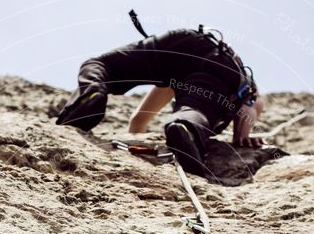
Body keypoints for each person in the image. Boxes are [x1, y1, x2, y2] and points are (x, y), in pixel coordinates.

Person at [56, 20, 265, 178]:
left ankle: (92, 91)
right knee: (194, 113)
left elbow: (138, 120)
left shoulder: (176, 80)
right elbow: (251, 105)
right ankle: (186, 127)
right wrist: (243, 134)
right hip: (219, 68)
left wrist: (135, 142)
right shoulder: (248, 87)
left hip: (182, 42)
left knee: (103, 65)